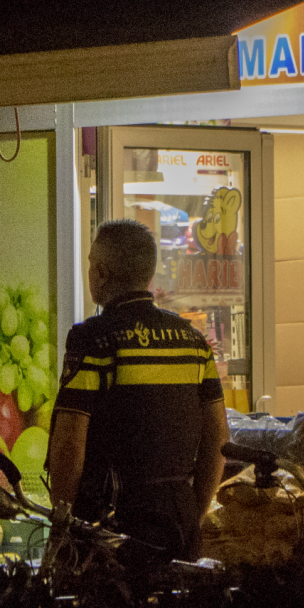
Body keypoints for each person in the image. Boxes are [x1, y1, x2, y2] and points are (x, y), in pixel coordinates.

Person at [46, 220, 228, 561]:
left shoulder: (94, 341)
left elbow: (70, 442)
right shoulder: (194, 343)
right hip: (178, 526)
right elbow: (218, 440)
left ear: (100, 274)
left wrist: (62, 527)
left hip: (111, 533)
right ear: (148, 274)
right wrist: (194, 516)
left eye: (89, 265)